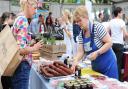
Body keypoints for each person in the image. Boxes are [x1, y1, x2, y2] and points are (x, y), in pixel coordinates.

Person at [71, 6, 118, 79]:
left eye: (79, 20)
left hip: (109, 66)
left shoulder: (97, 27)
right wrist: (76, 60)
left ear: (86, 17)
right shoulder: (81, 34)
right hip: (97, 68)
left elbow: (109, 42)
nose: (78, 23)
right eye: (76, 22)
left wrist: (97, 53)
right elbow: (80, 52)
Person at [11, 0, 43, 89]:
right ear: (28, 5)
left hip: (18, 65)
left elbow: (19, 43)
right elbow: (21, 50)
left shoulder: (18, 18)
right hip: (22, 66)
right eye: (35, 8)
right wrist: (35, 47)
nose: (36, 11)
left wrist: (30, 43)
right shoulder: (23, 20)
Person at [108, 7, 128, 80]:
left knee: (113, 62)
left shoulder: (111, 21)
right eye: (121, 12)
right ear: (118, 13)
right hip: (119, 44)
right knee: (119, 63)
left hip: (112, 44)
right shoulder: (121, 21)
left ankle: (112, 78)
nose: (122, 13)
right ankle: (118, 80)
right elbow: (125, 34)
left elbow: (107, 31)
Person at [0, 12, 15, 89]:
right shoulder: (7, 29)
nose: (12, 20)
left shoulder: (2, 28)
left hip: (2, 59)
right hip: (7, 59)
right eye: (11, 18)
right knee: (8, 82)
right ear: (7, 18)